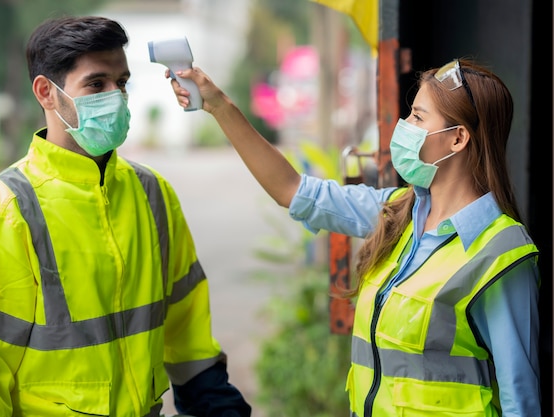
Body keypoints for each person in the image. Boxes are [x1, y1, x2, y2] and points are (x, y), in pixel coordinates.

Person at [166, 59, 541, 416]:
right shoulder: (397, 214)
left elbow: (519, 396)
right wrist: (218, 105)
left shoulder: (500, 252)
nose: (404, 125)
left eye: (418, 117)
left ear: (458, 139)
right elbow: (291, 189)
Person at [0, 16, 251, 417]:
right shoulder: (0, 210)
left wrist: (216, 404)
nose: (115, 96)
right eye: (96, 84)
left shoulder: (152, 194)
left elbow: (187, 332)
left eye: (122, 82)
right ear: (47, 92)